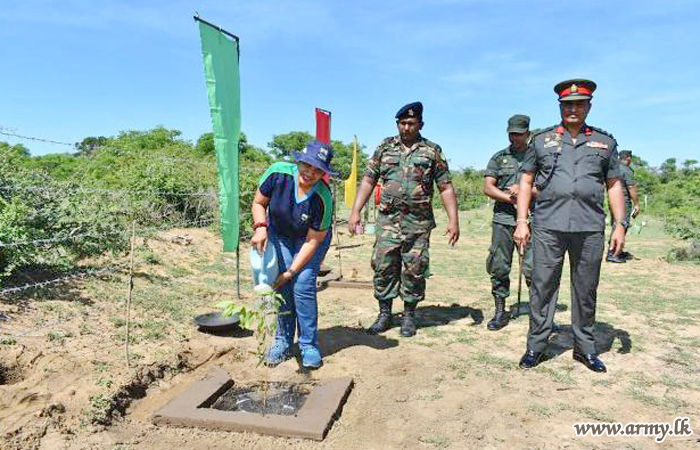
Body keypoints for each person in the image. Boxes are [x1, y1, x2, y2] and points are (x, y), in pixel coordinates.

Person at [514, 79, 627, 373]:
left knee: (586, 289)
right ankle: (536, 346)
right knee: (542, 287)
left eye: (579, 104)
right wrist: (522, 221)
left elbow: (614, 184)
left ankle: (585, 348)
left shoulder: (605, 142)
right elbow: (525, 180)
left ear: (589, 106)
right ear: (560, 107)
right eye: (567, 105)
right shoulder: (541, 140)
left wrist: (620, 224)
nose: (573, 109)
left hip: (589, 228)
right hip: (548, 226)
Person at [348, 102, 460, 337]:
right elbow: (368, 180)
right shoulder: (384, 148)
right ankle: (384, 313)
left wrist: (453, 220)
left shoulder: (431, 151)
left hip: (418, 224)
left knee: (414, 269)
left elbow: (445, 187)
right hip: (388, 221)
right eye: (402, 123)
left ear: (420, 124)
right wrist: (355, 211)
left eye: (411, 123)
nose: (406, 127)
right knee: (383, 266)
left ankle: (409, 315)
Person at [250, 141, 337, 369]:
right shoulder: (278, 174)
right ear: (299, 161)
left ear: (324, 173)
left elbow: (313, 240)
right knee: (283, 287)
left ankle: (308, 344)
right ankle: (283, 340)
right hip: (280, 232)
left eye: (318, 170)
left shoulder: (322, 197)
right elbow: (259, 202)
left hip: (310, 239)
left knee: (302, 284)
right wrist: (261, 227)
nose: (310, 173)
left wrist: (290, 272)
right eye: (307, 165)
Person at [483, 114, 534, 330]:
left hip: (532, 221)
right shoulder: (499, 157)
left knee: (535, 268)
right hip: (503, 220)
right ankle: (500, 311)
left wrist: (525, 191)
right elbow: (488, 187)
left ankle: (539, 314)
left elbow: (548, 186)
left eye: (519, 134)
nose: (514, 138)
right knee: (499, 266)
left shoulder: (537, 157)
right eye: (511, 134)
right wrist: (512, 198)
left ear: (527, 134)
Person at [606, 149, 641, 263]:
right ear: (628, 158)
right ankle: (613, 253)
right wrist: (636, 204)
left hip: (612, 200)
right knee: (622, 224)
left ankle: (616, 251)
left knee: (615, 224)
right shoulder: (626, 170)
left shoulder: (613, 168)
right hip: (623, 201)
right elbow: (631, 188)